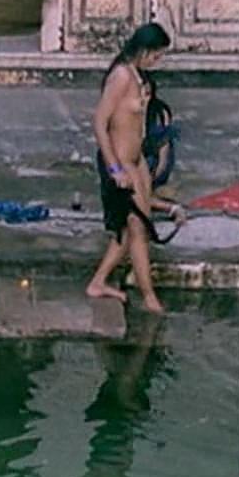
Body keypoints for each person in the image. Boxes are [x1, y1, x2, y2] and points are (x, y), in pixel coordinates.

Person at [86, 23, 186, 314]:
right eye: (156, 55)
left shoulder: (139, 77)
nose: (157, 61)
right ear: (143, 50)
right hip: (120, 164)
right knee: (137, 230)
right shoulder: (120, 76)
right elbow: (100, 124)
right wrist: (114, 169)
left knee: (132, 229)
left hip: (137, 161)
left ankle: (98, 282)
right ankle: (150, 298)